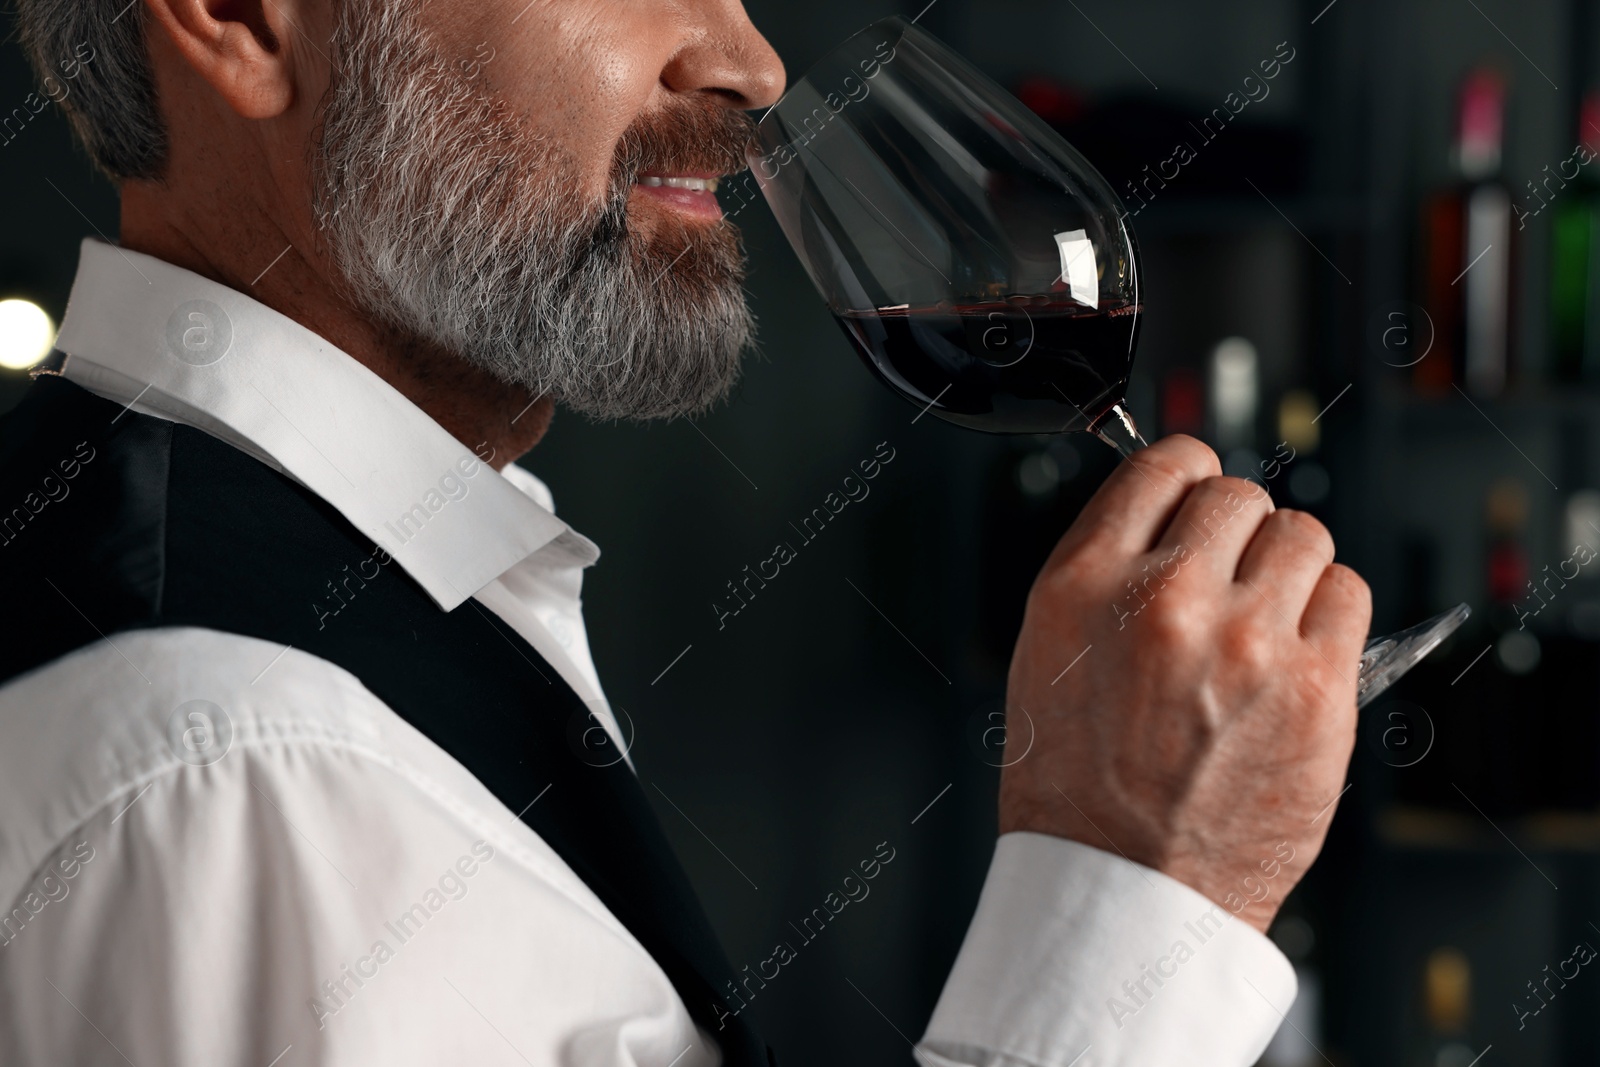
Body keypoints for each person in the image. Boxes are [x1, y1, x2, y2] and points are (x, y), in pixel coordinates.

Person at [0, 0, 1371, 1063]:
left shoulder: (339, 593)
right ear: (241, 18)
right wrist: (1141, 885)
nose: (750, 65)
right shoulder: (249, 764)